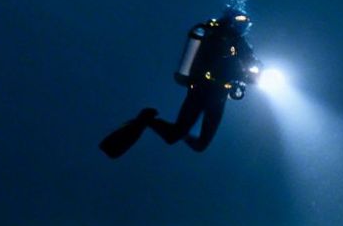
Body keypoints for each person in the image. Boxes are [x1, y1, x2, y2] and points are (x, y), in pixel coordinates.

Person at [100, 11, 259, 157]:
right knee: (174, 136)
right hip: (201, 91)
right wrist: (242, 72)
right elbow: (221, 65)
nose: (243, 25)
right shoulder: (215, 37)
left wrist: (254, 72)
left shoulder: (240, 43)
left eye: (246, 23)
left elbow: (250, 66)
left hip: (219, 96)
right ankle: (146, 119)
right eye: (240, 20)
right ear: (230, 20)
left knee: (199, 144)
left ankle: (153, 122)